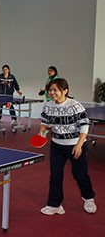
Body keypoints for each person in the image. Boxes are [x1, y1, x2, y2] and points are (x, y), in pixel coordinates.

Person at [38, 78, 96, 216]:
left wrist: (79, 145)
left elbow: (84, 125)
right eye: (50, 90)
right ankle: (54, 204)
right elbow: (45, 122)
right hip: (57, 146)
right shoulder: (48, 106)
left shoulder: (75, 105)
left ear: (65, 91)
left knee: (80, 174)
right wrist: (42, 131)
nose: (52, 92)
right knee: (55, 176)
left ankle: (88, 198)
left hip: (76, 145)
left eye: (55, 90)